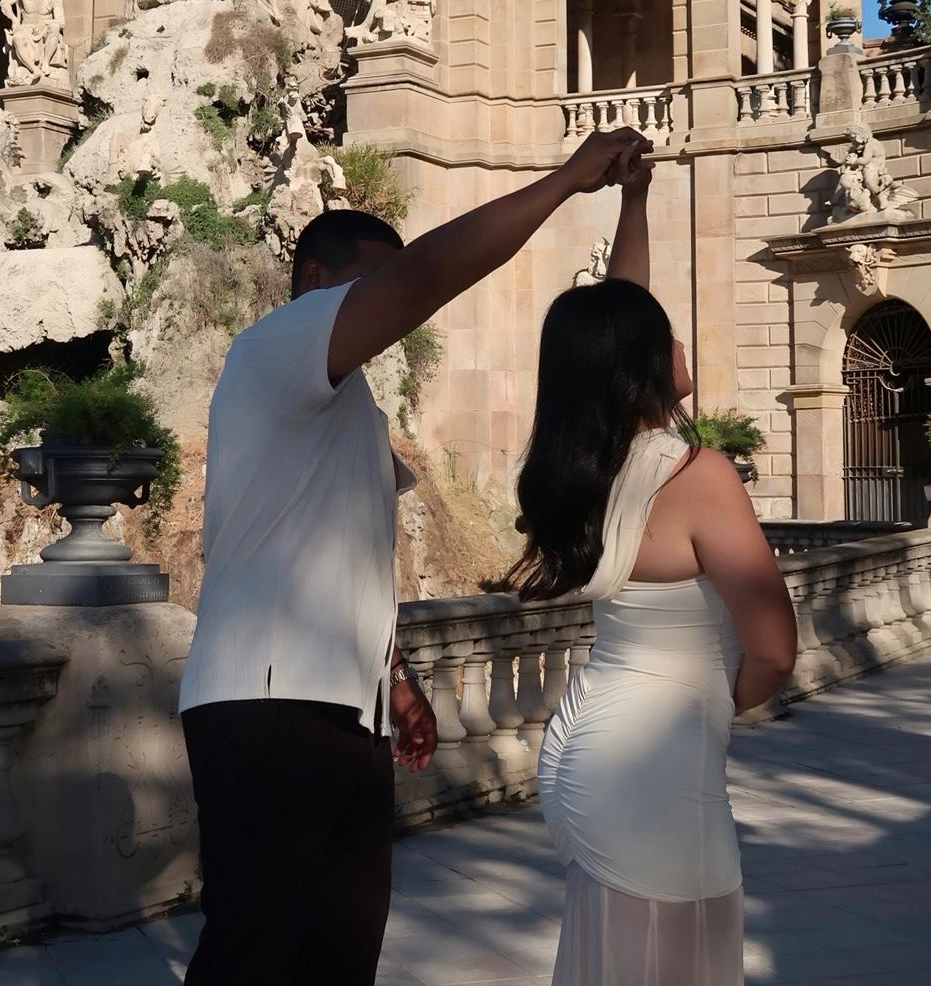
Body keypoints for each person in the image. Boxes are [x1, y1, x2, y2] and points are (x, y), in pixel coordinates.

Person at [179, 125, 654, 986]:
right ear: (313, 280)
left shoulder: (346, 405)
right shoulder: (277, 345)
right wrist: (563, 180)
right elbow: (429, 274)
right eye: (372, 283)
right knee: (254, 956)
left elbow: (338, 552)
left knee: (339, 957)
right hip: (264, 702)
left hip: (338, 705)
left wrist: (393, 678)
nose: (391, 308)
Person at [507, 162, 798, 985]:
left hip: (591, 749)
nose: (682, 344)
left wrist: (634, 200)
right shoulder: (698, 474)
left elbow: (620, 307)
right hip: (655, 764)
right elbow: (774, 650)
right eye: (666, 334)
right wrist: (707, 704)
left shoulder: (588, 469)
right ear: (640, 362)